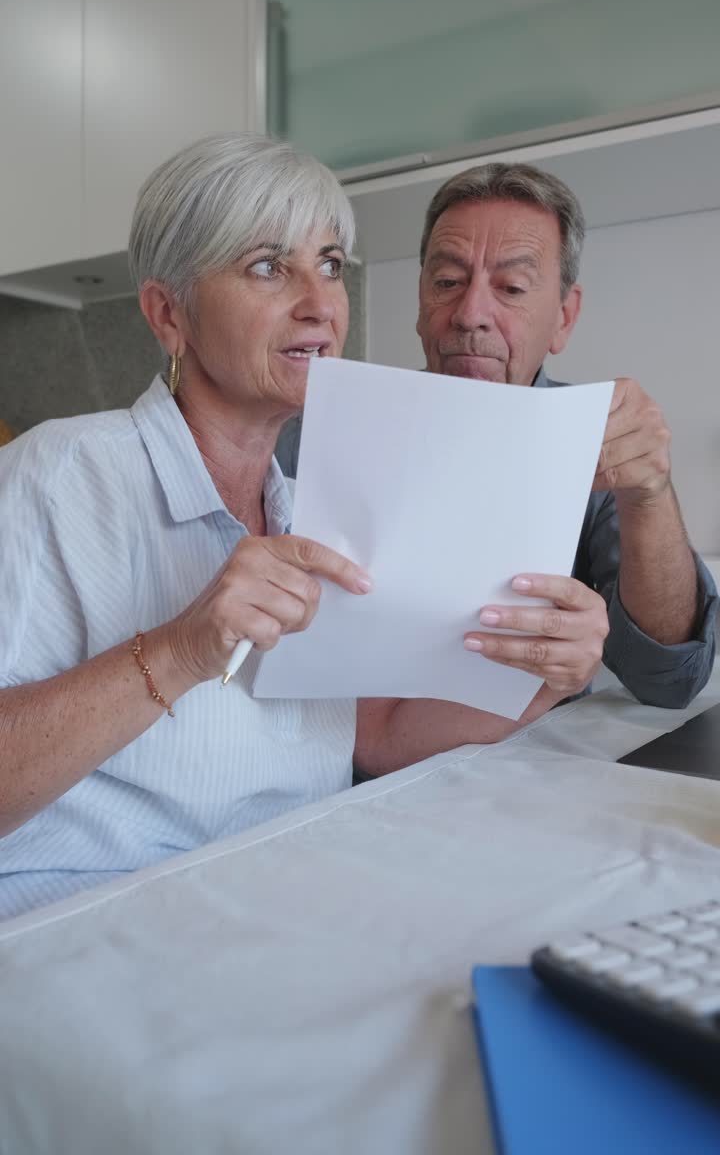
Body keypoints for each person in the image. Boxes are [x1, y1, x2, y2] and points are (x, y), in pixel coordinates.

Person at [0, 135, 609, 921]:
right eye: (266, 266)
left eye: (329, 264)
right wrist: (184, 648)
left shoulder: (311, 504)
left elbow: (376, 737)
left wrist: (543, 677)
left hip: (274, 907)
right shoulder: (63, 475)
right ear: (167, 314)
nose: (321, 303)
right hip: (77, 929)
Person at [279, 161, 717, 711]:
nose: (470, 314)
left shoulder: (595, 445)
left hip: (526, 772)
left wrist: (648, 495)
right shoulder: (313, 431)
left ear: (563, 317)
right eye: (447, 282)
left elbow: (669, 679)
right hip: (346, 767)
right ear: (421, 303)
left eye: (510, 287)